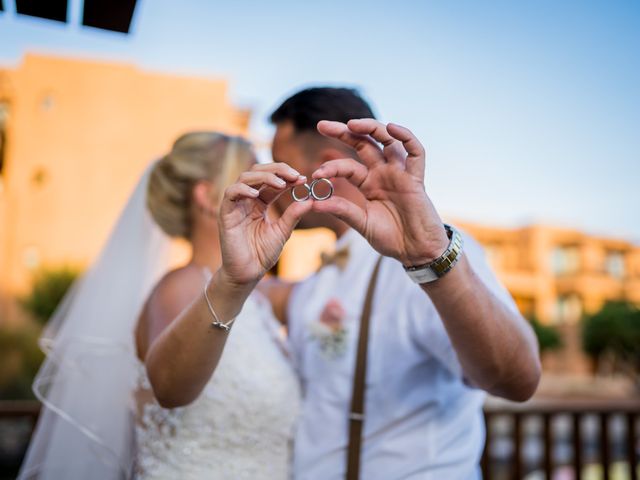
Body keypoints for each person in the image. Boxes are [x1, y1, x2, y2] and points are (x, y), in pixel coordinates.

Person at [266, 87, 543, 479]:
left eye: (281, 164)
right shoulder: (319, 279)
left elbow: (518, 379)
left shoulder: (436, 254)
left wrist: (431, 257)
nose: (272, 182)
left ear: (325, 166)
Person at [18, 132, 308, 479]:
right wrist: (232, 283)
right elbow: (170, 388)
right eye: (251, 173)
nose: (272, 186)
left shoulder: (261, 298)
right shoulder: (176, 290)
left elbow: (326, 290)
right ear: (206, 196)